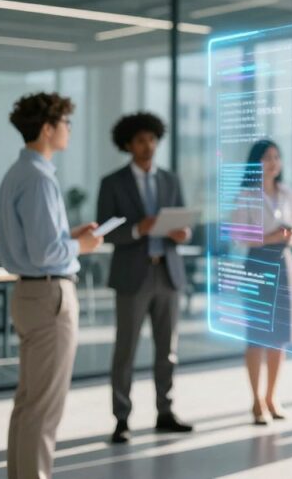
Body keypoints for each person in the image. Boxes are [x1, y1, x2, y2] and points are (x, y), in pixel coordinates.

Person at [0, 92, 104, 479]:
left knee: (29, 403)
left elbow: (37, 243)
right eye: (65, 124)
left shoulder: (18, 173)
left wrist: (69, 235)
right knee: (44, 409)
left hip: (30, 293)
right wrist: (82, 245)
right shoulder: (39, 178)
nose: (69, 130)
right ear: (47, 129)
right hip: (49, 295)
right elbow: (47, 253)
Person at [96, 112, 194, 444]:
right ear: (128, 145)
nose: (148, 145)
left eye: (152, 139)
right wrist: (140, 228)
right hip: (132, 276)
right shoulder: (112, 183)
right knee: (126, 351)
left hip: (167, 272)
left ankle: (165, 411)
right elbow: (105, 233)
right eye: (141, 140)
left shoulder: (170, 179)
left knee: (167, 350)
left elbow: (182, 220)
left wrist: (183, 233)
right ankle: (121, 419)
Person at [231, 140, 292, 425]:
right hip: (257, 264)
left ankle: (272, 396)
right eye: (267, 158)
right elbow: (239, 236)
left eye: (277, 156)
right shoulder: (246, 195)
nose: (273, 162)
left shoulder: (288, 194)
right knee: (257, 334)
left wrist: (290, 237)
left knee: (280, 335)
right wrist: (273, 236)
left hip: (284, 264)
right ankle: (256, 400)